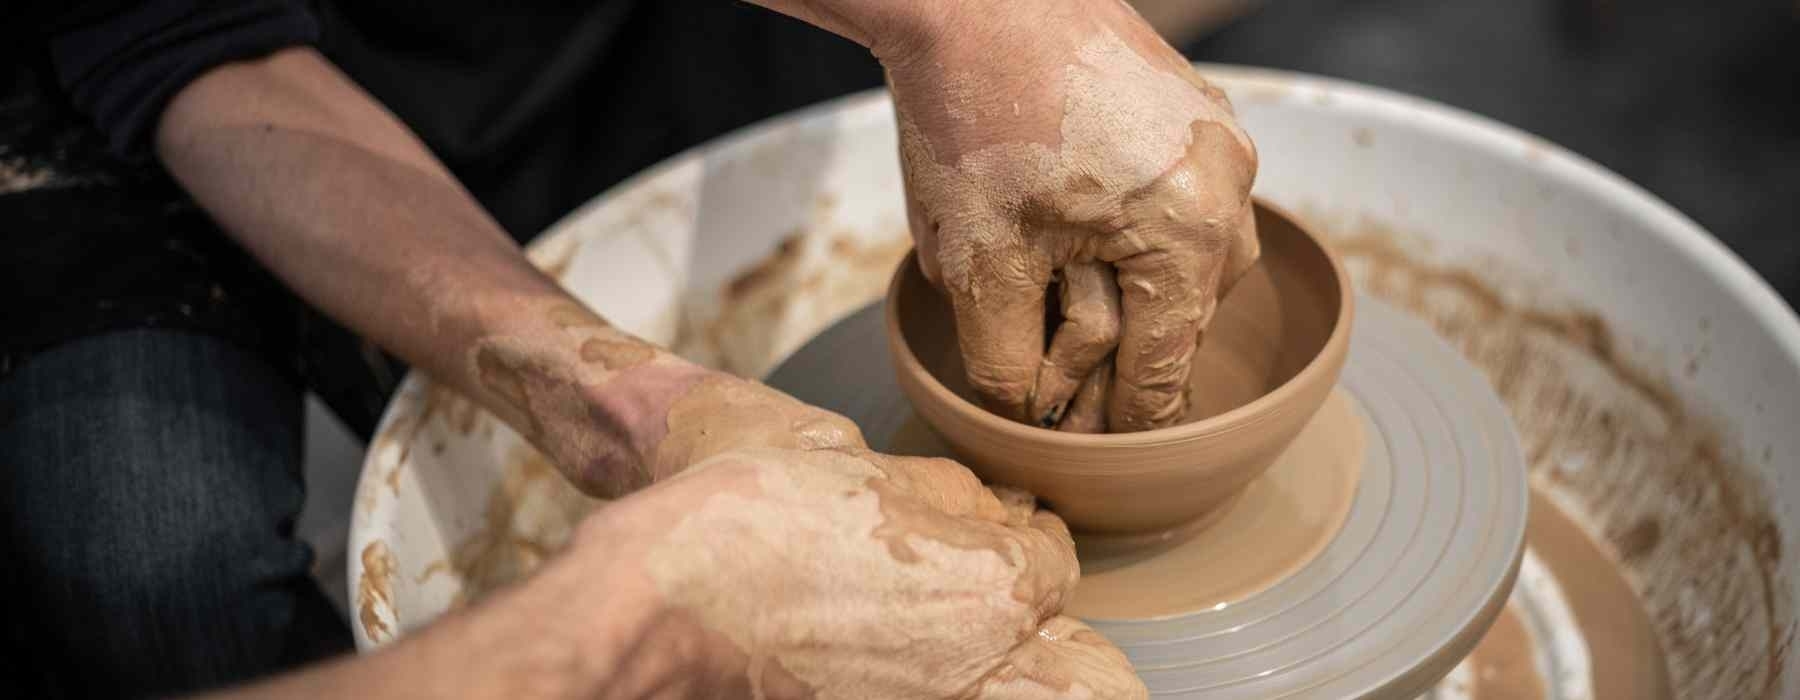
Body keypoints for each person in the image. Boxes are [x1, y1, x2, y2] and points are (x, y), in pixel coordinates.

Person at [2, 0, 1257, 697]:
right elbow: (190, 49)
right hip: (171, 52)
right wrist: (634, 473)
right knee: (150, 565)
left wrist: (971, 27)